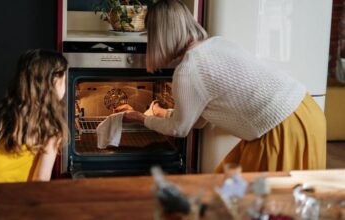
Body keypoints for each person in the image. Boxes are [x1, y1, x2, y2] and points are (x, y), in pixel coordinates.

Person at [122, 0, 326, 173]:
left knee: (267, 204)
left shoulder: (188, 70)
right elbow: (198, 118)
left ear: (160, 36)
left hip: (282, 131)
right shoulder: (218, 43)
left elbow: (179, 129)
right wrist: (162, 112)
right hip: (306, 112)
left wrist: (143, 119)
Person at [0, 49, 69, 219]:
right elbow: (40, 182)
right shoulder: (52, 128)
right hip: (3, 207)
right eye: (65, 79)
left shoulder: (10, 111)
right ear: (54, 81)